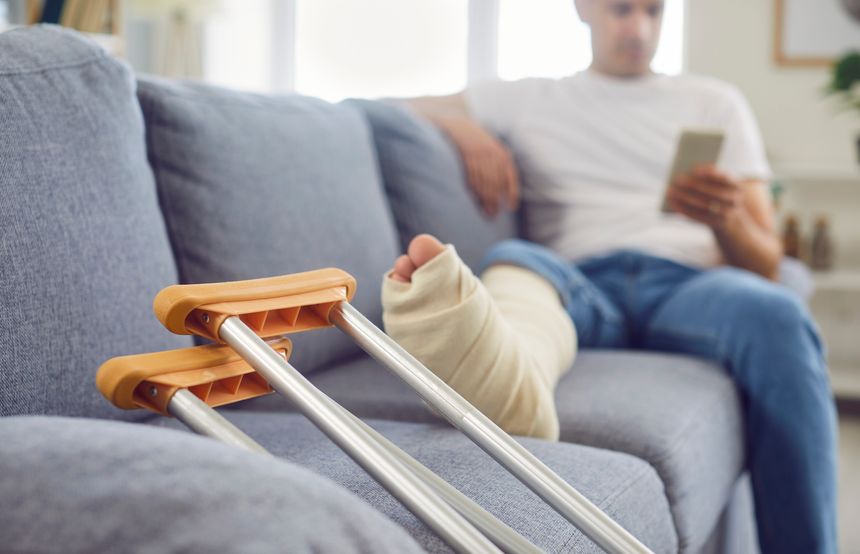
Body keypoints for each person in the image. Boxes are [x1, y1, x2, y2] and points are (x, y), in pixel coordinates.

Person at [380, 1, 838, 553]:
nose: (639, 29)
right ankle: (500, 377)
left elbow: (767, 263)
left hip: (687, 285)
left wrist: (727, 219)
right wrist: (460, 127)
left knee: (781, 314)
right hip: (578, 281)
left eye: (653, 11)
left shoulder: (714, 102)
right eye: (622, 9)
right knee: (515, 258)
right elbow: (389, 106)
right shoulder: (526, 98)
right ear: (583, 10)